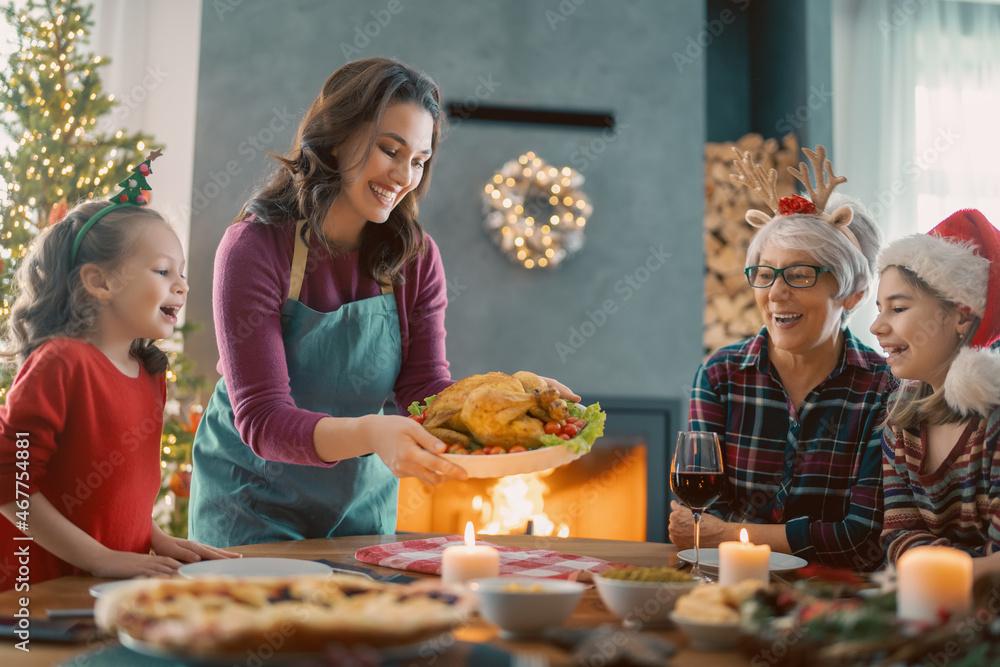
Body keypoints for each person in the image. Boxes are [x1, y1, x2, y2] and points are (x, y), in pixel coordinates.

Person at [189, 58, 577, 548]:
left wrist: (514, 396)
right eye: (390, 150)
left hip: (359, 509)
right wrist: (374, 434)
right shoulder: (254, 248)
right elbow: (262, 420)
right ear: (335, 138)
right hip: (250, 506)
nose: (403, 175)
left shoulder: (415, 258)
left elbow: (424, 393)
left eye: (418, 160)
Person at [0, 160, 239, 590]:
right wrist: (99, 558)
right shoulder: (60, 363)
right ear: (100, 282)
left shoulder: (150, 375)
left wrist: (156, 538)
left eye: (181, 273)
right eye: (163, 271)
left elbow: (115, 495)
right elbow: (8, 483)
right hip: (40, 596)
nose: (182, 285)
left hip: (108, 590)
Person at [669, 146, 894, 571]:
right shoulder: (720, 375)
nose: (775, 293)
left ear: (853, 294)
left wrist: (726, 536)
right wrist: (717, 536)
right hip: (725, 585)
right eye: (766, 272)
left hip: (833, 600)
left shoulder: (884, 388)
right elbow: (692, 523)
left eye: (800, 274)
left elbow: (860, 536)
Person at [873, 209, 1000, 574]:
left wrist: (930, 566)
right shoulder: (900, 419)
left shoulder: (992, 421)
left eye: (897, 308)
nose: (877, 326)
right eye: (880, 308)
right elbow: (897, 537)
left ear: (961, 315)